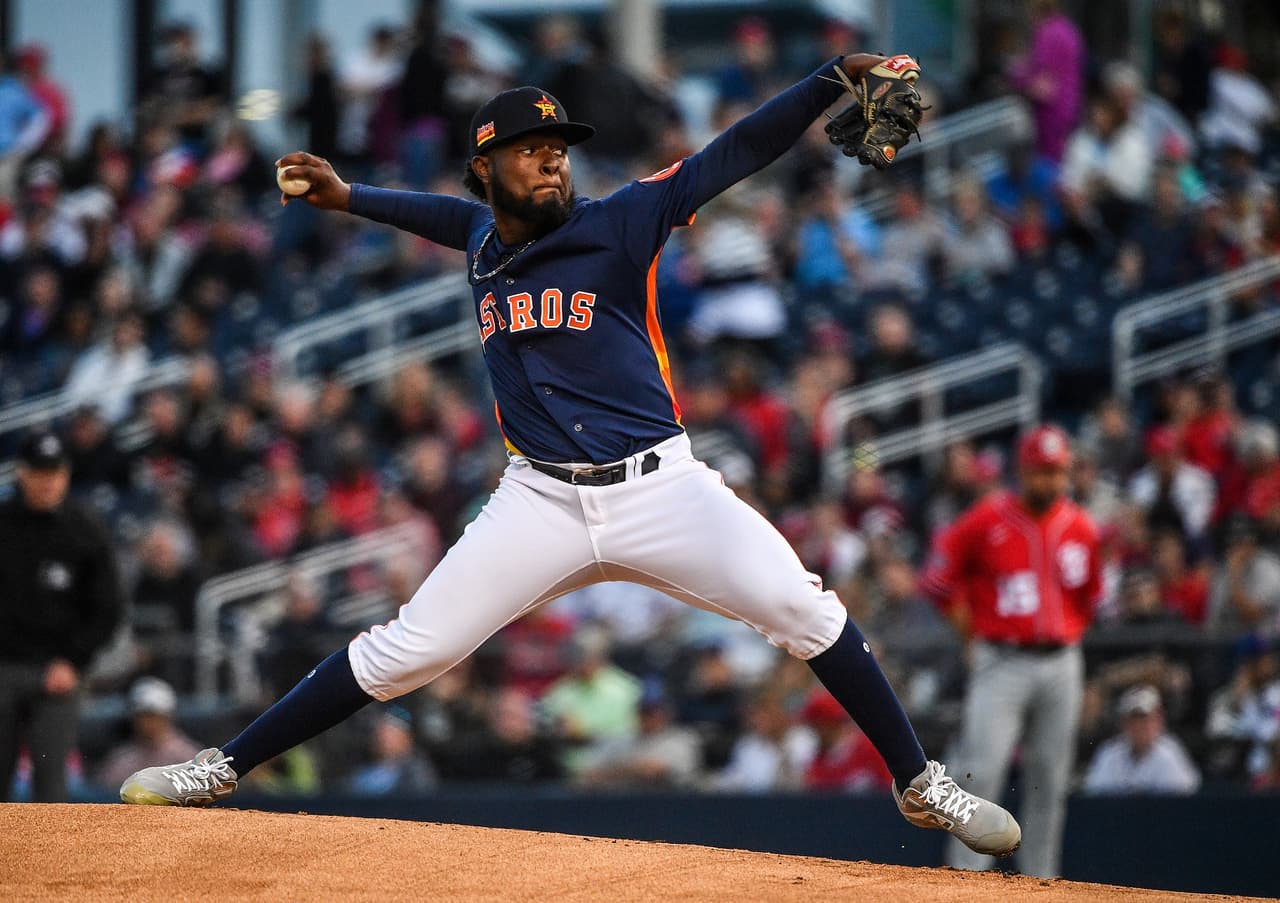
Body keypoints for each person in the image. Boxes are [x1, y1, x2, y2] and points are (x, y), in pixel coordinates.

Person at [120, 52, 1020, 861]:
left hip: (662, 487)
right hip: (539, 501)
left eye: (559, 146)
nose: (553, 157)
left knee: (802, 603)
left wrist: (830, 78)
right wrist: (350, 196)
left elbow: (735, 150)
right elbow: (446, 218)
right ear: (486, 169)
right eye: (530, 148)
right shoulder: (480, 242)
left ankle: (916, 781)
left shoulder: (624, 221)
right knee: (406, 652)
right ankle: (223, 766)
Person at [921, 425, 1101, 878]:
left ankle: (1042, 881)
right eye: (1042, 472)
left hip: (1062, 662)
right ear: (1023, 470)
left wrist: (1068, 638)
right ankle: (967, 878)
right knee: (981, 774)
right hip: (1002, 660)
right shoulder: (987, 519)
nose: (1051, 482)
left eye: (1058, 472)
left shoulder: (1080, 526)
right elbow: (939, 580)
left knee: (1050, 781)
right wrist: (970, 635)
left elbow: (1089, 597)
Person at [0, 432, 124, 801]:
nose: (47, 482)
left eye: (54, 473)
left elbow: (108, 606)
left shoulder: (83, 529)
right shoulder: (2, 524)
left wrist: (74, 660)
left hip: (59, 672)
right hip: (2, 668)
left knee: (51, 788)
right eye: (39, 473)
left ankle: (46, 860)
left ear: (66, 475)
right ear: (21, 473)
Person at [1082, 684, 1201, 795]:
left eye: (1145, 719)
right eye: (1134, 720)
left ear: (1159, 720)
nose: (1140, 726)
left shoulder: (1170, 754)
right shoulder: (1109, 753)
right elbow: (1095, 794)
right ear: (1123, 723)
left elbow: (1180, 801)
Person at [96, 678, 201, 791]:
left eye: (153, 716)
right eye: (142, 716)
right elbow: (101, 793)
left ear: (168, 717)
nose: (147, 723)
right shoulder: (123, 759)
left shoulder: (187, 756)